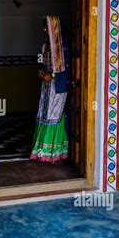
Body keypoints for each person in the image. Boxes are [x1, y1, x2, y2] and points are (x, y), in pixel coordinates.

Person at [30, 15, 72, 164]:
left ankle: (55, 153)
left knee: (55, 115)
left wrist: (52, 75)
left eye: (47, 27)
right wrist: (42, 74)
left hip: (58, 86)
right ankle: (42, 151)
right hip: (46, 86)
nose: (45, 30)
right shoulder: (45, 46)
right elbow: (40, 66)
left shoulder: (64, 46)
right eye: (44, 27)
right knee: (44, 114)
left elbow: (67, 69)